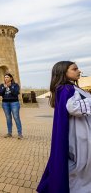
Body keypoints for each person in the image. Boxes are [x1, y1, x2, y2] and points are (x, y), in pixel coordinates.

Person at [37, 61, 91, 192]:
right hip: (78, 133)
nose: (79, 71)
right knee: (82, 164)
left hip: (82, 129)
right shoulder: (65, 89)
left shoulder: (71, 88)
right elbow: (73, 108)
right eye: (75, 69)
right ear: (63, 72)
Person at [0, 73, 22, 139]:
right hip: (5, 103)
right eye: (5, 77)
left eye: (7, 77)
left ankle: (20, 133)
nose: (6, 78)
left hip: (14, 103)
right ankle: (9, 133)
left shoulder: (15, 85)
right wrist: (4, 88)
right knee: (8, 118)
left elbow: (15, 93)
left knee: (16, 117)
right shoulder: (2, 85)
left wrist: (10, 87)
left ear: (11, 78)